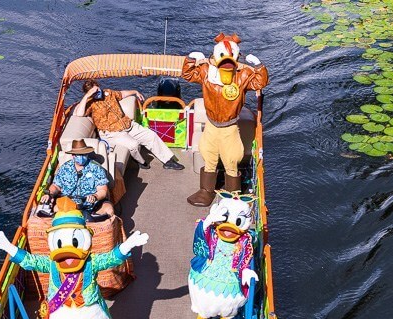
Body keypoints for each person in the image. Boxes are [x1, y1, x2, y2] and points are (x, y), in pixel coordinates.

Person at [182, 33, 269, 206]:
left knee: (232, 159)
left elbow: (260, 82)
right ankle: (205, 191)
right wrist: (190, 60)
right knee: (208, 154)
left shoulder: (242, 76)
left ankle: (233, 194)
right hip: (211, 124)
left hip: (230, 127)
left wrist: (259, 66)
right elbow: (188, 75)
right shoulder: (206, 72)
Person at [75, 79, 185, 170]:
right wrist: (87, 96)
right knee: (133, 145)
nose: (98, 93)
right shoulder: (89, 103)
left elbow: (122, 94)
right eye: (94, 92)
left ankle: (168, 161)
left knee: (151, 135)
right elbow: (78, 113)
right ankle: (141, 162)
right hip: (112, 133)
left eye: (97, 90)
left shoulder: (108, 93)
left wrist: (135, 91)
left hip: (128, 125)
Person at [40, 139, 114, 219]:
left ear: (87, 154)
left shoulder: (96, 168)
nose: (81, 157)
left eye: (84, 154)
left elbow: (103, 190)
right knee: (55, 209)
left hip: (92, 205)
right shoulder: (64, 168)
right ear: (73, 155)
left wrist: (95, 196)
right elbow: (56, 186)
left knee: (109, 209)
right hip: (68, 204)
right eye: (78, 155)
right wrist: (49, 194)